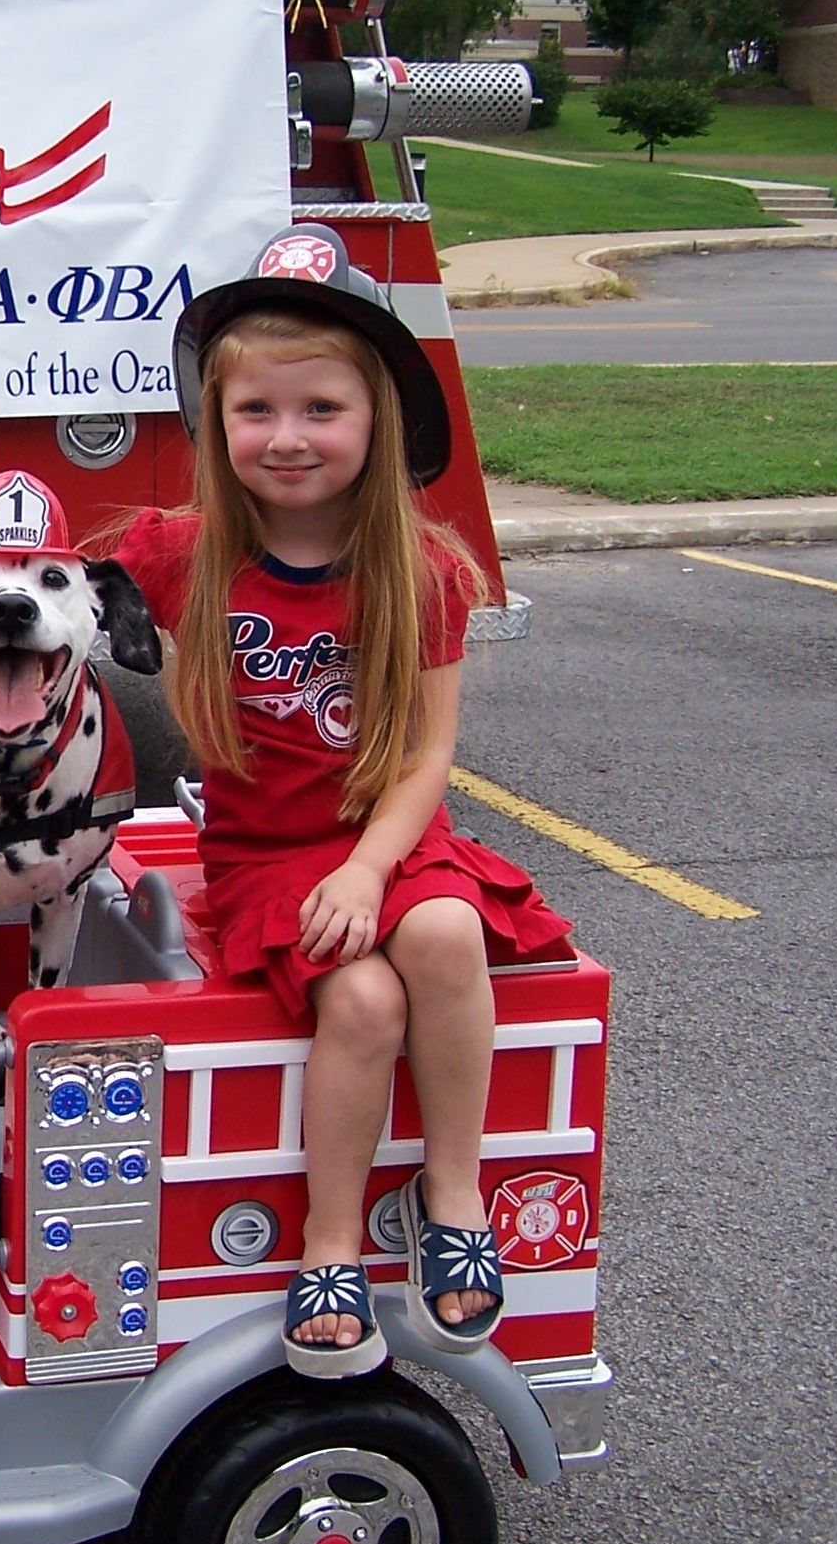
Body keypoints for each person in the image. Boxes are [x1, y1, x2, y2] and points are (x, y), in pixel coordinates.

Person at [110, 224, 571, 1378]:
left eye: (323, 409)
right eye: (257, 411)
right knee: (360, 1006)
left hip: (388, 840)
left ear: (378, 422)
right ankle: (328, 1244)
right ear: (214, 423)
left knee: (447, 930)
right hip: (265, 856)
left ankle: (451, 1196)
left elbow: (427, 755)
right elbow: (38, 595)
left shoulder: (423, 572)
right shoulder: (180, 554)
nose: (289, 437)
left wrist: (370, 869)